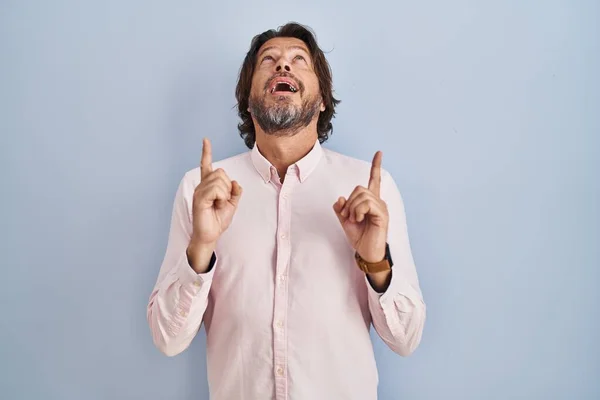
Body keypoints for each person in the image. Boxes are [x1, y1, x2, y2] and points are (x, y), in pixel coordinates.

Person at [147, 22, 426, 400]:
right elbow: (167, 339)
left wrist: (376, 260)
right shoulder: (201, 191)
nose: (283, 67)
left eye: (298, 60)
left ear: (323, 98)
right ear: (248, 98)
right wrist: (201, 247)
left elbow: (406, 339)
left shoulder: (369, 190)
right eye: (269, 60)